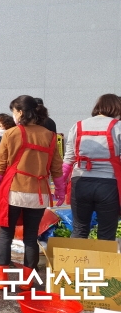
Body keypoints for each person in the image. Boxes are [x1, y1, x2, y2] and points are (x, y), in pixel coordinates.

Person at [0, 95, 63, 291]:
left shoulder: (11, 134)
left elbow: (0, 166)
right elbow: (57, 168)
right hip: (39, 194)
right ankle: (27, 281)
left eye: (14, 111)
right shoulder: (51, 136)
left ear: (20, 112)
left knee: (5, 235)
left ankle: (1, 278)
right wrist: (60, 191)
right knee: (30, 237)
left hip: (13, 191)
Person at [62, 94, 121, 240]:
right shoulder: (118, 126)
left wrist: (60, 184)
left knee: (79, 229)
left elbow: (68, 158)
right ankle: (102, 263)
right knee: (106, 233)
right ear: (116, 107)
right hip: (108, 184)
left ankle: (75, 262)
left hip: (80, 182)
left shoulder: (78, 125)